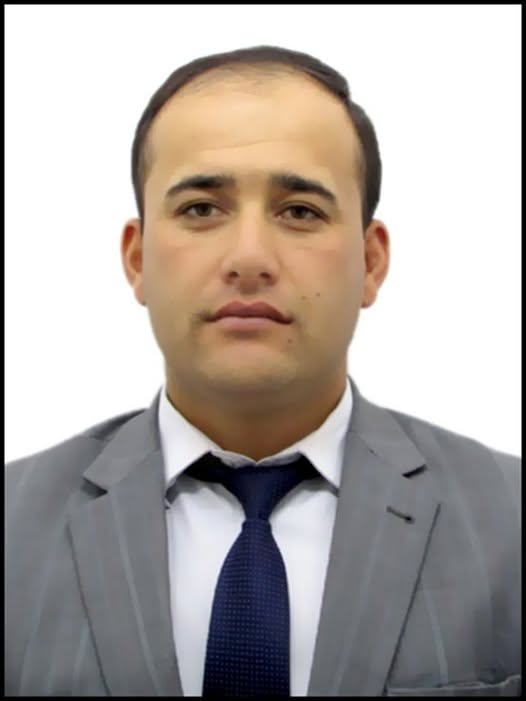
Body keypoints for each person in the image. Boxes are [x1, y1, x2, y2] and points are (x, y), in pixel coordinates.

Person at [5, 45, 520, 698]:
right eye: (201, 209)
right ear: (137, 259)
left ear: (371, 261)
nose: (249, 257)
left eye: (300, 211)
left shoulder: (510, 520)